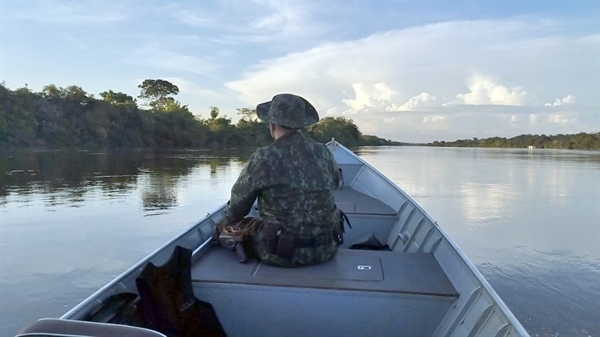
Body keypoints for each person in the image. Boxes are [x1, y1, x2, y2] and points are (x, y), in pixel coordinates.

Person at [215, 93, 342, 267]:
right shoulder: (324, 152)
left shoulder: (264, 157)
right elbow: (335, 184)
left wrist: (223, 223)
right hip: (327, 248)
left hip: (281, 254)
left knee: (231, 223)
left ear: (271, 125)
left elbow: (238, 208)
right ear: (301, 124)